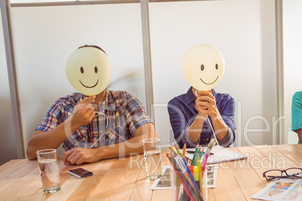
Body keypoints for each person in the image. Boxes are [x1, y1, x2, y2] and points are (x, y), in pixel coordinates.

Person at [26, 45, 156, 164]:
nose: (90, 75)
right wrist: (73, 122)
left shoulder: (125, 101)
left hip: (118, 175)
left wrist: (98, 153)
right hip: (77, 180)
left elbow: (150, 140)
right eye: (82, 70)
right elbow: (32, 151)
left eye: (96, 69)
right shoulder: (63, 106)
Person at [168, 87, 235, 148]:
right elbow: (184, 144)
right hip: (192, 160)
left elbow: (227, 141)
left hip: (224, 158)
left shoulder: (227, 100)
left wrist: (214, 113)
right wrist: (201, 116)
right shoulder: (176, 104)